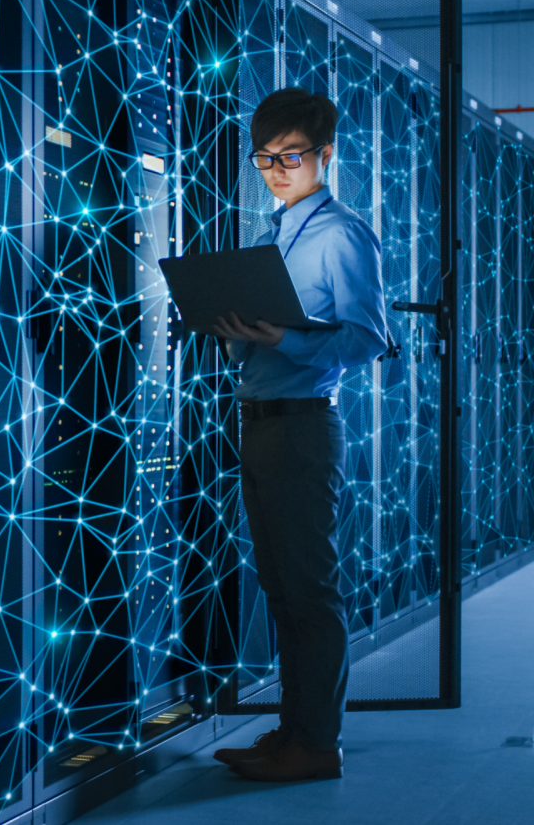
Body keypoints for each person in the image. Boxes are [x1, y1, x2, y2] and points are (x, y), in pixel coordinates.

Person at [208, 87, 389, 781]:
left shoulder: (341, 233)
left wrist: (281, 336)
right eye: (265, 157)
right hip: (257, 423)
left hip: (305, 427)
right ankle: (294, 730)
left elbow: (369, 338)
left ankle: (315, 744)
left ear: (325, 154)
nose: (277, 169)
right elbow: (261, 341)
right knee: (282, 591)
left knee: (310, 592)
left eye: (291, 156)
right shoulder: (269, 237)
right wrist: (237, 335)